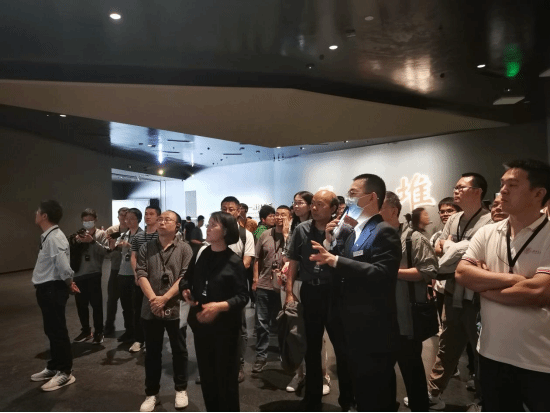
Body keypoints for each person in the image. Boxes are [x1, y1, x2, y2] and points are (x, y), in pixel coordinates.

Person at [456, 159, 550, 412]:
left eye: (513, 185)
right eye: (502, 184)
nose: (503, 191)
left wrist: (482, 285)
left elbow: (538, 292)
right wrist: (514, 280)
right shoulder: (488, 232)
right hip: (491, 353)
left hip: (540, 360)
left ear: (538, 193)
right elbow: (462, 273)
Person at [311, 174, 402, 412]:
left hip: (374, 328)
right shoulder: (353, 233)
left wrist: (336, 260)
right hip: (351, 324)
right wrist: (330, 245)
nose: (348, 199)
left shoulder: (384, 231)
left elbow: (383, 273)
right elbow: (342, 265)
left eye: (353, 193)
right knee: (362, 389)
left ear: (371, 197)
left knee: (376, 392)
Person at [426, 173, 492, 410]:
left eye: (461, 187)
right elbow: (438, 248)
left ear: (478, 191)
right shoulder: (454, 218)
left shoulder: (491, 221)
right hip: (452, 293)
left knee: (482, 352)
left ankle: (482, 401)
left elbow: (479, 258)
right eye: (455, 187)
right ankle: (433, 393)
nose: (456, 191)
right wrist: (456, 249)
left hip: (477, 297)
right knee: (447, 345)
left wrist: (452, 248)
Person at [286, 190, 354, 412]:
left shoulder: (345, 230)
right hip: (310, 292)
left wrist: (331, 239)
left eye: (321, 204)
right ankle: (312, 397)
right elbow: (293, 261)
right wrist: (289, 292)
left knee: (343, 349)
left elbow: (349, 263)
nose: (314, 208)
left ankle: (348, 400)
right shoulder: (302, 229)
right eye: (313, 203)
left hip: (335, 293)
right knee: (311, 347)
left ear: (333, 208)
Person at [180, 212, 249, 412]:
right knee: (207, 377)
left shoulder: (234, 261)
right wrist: (185, 290)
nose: (208, 228)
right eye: (208, 224)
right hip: (202, 325)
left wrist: (219, 306)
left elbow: (243, 296)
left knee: (226, 380)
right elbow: (187, 278)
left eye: (213, 225)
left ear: (225, 231)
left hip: (226, 329)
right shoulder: (201, 254)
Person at [380, 192, 439, 412]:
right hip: (380, 317)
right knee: (383, 369)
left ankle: (419, 406)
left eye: (379, 208)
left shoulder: (413, 238)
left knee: (411, 366)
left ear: (393, 211)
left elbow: (429, 270)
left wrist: (392, 272)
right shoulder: (374, 238)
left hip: (405, 317)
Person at [136, 211, 193, 412]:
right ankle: (151, 393)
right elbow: (141, 273)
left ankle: (181, 389)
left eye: (167, 219)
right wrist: (154, 300)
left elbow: (185, 277)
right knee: (152, 352)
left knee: (179, 350)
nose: (162, 222)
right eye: (160, 219)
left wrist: (164, 298)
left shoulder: (185, 248)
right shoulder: (146, 247)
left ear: (177, 225)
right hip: (150, 307)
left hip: (176, 307)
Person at [31, 200, 79, 392]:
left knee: (57, 330)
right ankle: (54, 366)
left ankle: (65, 372)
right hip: (47, 289)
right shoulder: (49, 236)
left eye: (38, 211)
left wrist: (69, 282)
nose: (35, 214)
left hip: (53, 288)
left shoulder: (55, 238)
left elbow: (63, 266)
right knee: (51, 329)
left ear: (44, 216)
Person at [252, 205, 291, 373]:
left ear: (290, 218)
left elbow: (292, 259)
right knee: (262, 323)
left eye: (284, 215)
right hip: (264, 284)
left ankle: (285, 356)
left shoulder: (292, 236)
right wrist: (255, 279)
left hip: (284, 287)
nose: (279, 217)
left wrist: (286, 235)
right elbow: (257, 259)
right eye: (277, 214)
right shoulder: (264, 235)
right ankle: (261, 356)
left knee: (283, 323)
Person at [221, 196, 255, 383]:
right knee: (215, 327)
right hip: (215, 290)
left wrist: (225, 276)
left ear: (238, 211)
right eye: (224, 209)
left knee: (239, 327)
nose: (227, 212)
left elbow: (246, 263)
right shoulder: (214, 232)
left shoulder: (245, 235)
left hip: (236, 289)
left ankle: (238, 365)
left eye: (231, 209)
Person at [69, 208, 110, 345]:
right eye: (85, 220)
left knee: (96, 304)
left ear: (95, 220)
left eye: (90, 220)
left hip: (93, 273)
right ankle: (86, 331)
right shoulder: (79, 234)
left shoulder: (101, 234)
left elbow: (106, 252)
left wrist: (92, 242)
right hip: (78, 274)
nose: (87, 223)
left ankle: (99, 331)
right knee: (81, 305)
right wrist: (76, 242)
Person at [130, 206, 161, 353]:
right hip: (141, 278)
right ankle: (139, 339)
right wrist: (137, 274)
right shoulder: (138, 237)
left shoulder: (161, 235)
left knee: (155, 308)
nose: (148, 216)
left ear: (158, 217)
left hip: (156, 279)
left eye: (151, 214)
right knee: (138, 310)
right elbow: (133, 256)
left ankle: (152, 340)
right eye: (146, 214)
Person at [115, 208, 143, 346]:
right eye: (127, 218)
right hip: (123, 273)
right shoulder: (124, 234)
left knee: (136, 307)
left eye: (132, 218)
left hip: (135, 274)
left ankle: (138, 335)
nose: (128, 221)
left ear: (138, 219)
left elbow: (143, 252)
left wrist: (129, 246)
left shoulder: (142, 235)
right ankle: (129, 331)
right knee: (125, 306)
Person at [104, 207, 129, 336]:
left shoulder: (134, 231)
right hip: (115, 268)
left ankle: (130, 329)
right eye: (121, 215)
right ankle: (108, 326)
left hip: (129, 270)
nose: (123, 218)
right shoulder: (112, 230)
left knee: (128, 302)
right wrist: (111, 246)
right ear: (118, 216)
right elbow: (105, 251)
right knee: (112, 300)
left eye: (126, 215)